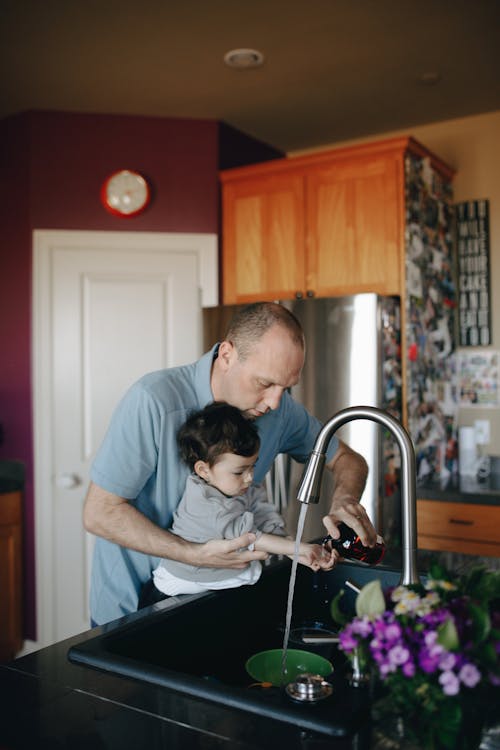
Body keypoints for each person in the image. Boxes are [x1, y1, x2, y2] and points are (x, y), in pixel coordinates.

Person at [84, 301, 373, 626]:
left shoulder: (280, 411)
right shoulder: (153, 400)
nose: (275, 402)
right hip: (130, 608)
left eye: (286, 387)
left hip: (215, 603)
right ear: (226, 355)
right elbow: (99, 512)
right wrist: (193, 554)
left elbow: (348, 459)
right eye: (264, 384)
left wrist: (345, 499)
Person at [140, 402, 335, 603]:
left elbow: (262, 513)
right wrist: (301, 548)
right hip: (178, 590)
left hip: (215, 583)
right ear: (203, 470)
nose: (250, 478)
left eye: (253, 466)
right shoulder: (208, 506)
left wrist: (292, 549)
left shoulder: (235, 486)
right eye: (239, 471)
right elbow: (251, 538)